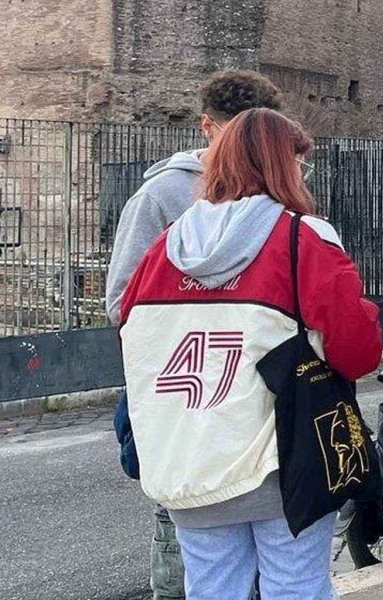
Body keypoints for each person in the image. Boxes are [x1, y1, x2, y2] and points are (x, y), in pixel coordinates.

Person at [118, 109, 383, 600]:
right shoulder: (304, 239)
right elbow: (359, 352)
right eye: (299, 162)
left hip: (188, 460)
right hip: (281, 462)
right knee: (296, 588)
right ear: (283, 165)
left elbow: (130, 331)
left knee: (212, 591)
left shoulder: (161, 250)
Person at [106, 69, 283, 600]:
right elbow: (122, 302)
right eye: (237, 134)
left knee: (262, 562)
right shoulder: (164, 195)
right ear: (207, 128)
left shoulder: (280, 193)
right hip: (188, 400)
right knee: (186, 550)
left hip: (259, 402)